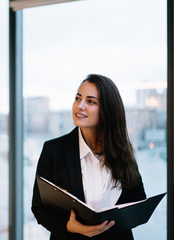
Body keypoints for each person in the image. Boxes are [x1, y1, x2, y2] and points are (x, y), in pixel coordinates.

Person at [31, 74, 146, 240]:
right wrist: (68, 226)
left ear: (108, 110)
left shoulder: (123, 151)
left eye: (90, 101)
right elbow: (39, 207)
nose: (80, 106)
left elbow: (138, 201)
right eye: (78, 98)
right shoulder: (53, 150)